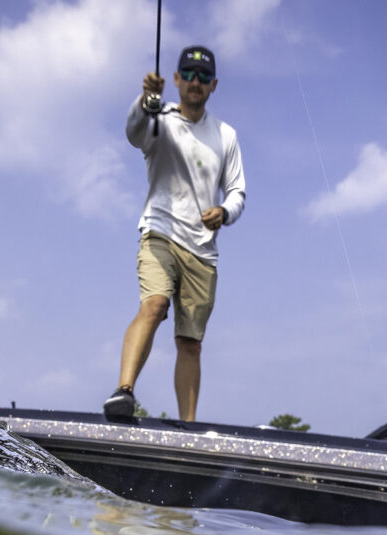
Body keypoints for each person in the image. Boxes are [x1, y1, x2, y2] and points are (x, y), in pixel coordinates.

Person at [104, 45, 247, 423]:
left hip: (203, 250)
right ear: (178, 79)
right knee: (153, 305)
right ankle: (124, 391)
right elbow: (136, 133)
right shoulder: (159, 118)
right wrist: (145, 100)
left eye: (204, 77)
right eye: (189, 74)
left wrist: (225, 211)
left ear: (213, 85)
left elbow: (237, 192)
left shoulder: (226, 135)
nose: (196, 82)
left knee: (191, 343)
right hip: (160, 232)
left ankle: (188, 428)